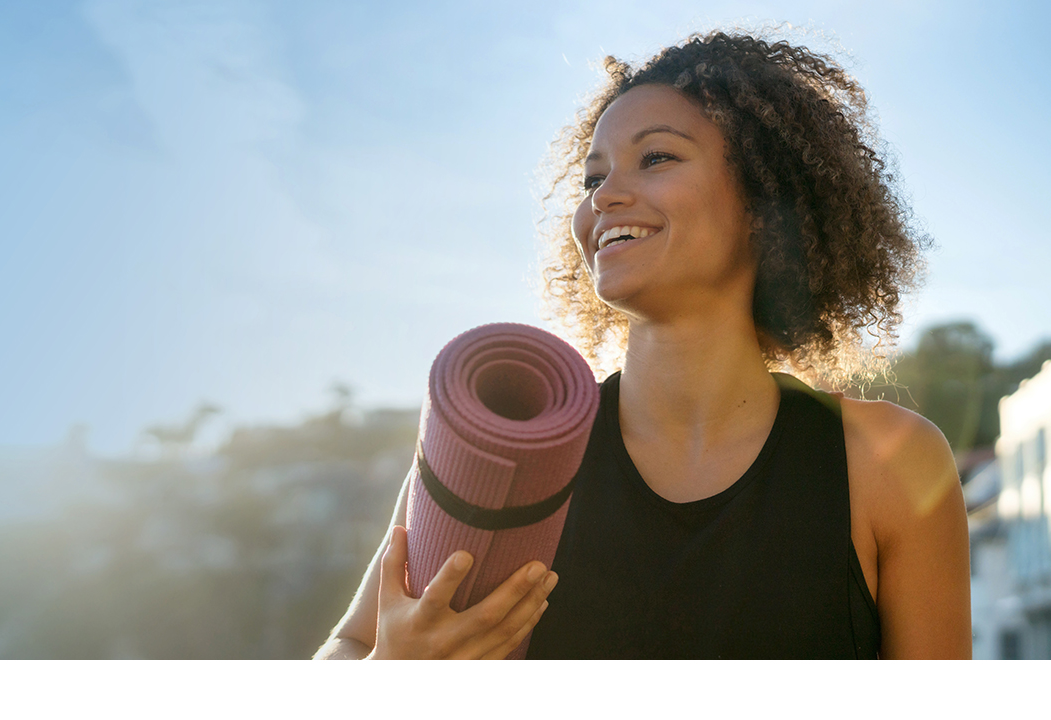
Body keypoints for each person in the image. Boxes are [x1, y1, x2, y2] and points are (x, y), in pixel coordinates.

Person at [314, 31, 971, 660]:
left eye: (656, 158)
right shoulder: (507, 447)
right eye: (592, 179)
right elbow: (349, 650)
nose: (606, 197)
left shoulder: (890, 465)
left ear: (765, 201)